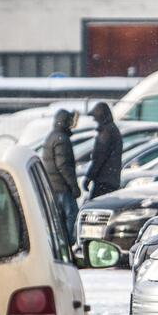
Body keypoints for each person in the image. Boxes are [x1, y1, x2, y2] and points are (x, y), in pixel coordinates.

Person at [42, 109, 81, 243]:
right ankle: (67, 244)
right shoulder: (61, 139)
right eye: (69, 121)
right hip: (62, 187)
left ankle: (60, 244)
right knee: (71, 216)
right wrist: (74, 186)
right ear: (64, 122)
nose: (72, 124)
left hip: (54, 185)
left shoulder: (52, 136)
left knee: (57, 218)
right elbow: (63, 165)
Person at [83, 102, 123, 199]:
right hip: (110, 180)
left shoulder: (106, 132)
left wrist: (89, 177)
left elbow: (99, 157)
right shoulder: (111, 129)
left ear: (100, 117)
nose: (94, 120)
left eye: (96, 118)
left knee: (95, 208)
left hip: (104, 181)